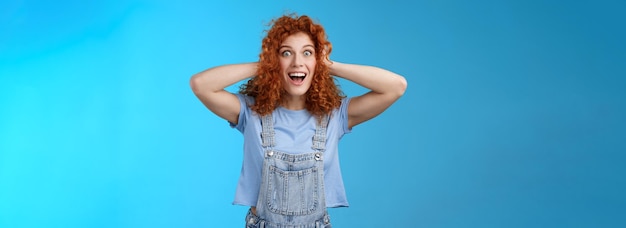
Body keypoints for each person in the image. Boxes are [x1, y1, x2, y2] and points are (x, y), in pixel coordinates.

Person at [190, 14, 407, 228]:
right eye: (286, 53)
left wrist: (328, 64)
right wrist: (267, 65)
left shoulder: (335, 115)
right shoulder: (251, 112)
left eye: (307, 53)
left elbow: (396, 86)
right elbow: (200, 84)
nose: (297, 63)